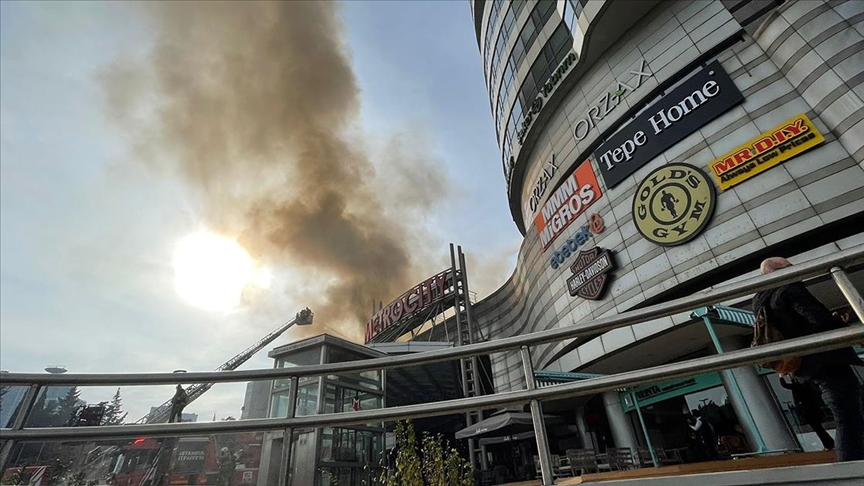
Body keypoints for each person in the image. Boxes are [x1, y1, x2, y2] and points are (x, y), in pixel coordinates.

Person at [752, 257, 864, 461]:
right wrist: (839, 325)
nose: (795, 268)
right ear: (779, 270)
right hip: (825, 359)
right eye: (790, 266)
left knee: (847, 415)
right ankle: (852, 469)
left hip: (801, 365)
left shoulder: (760, 299)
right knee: (848, 417)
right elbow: (817, 319)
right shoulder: (789, 288)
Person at [779, 374, 834, 450]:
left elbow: (784, 384)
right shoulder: (809, 386)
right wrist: (791, 377)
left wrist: (781, 376)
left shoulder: (798, 387)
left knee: (818, 429)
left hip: (808, 412)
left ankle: (829, 444)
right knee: (819, 428)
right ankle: (829, 443)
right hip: (815, 410)